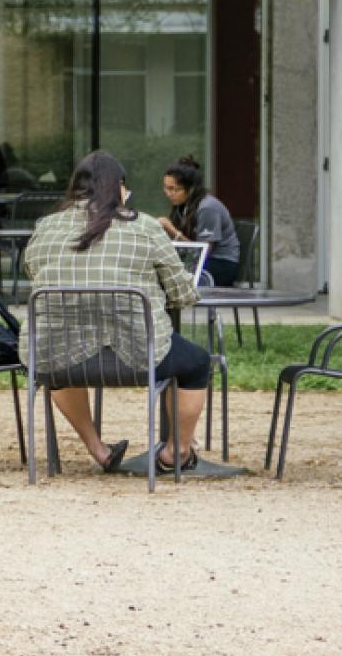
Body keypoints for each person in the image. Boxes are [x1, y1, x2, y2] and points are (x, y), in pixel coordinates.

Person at [22, 151, 212, 476]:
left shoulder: (45, 228)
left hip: (60, 355)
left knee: (57, 355)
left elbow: (34, 275)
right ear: (120, 189)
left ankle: (99, 450)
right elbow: (183, 295)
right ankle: (175, 452)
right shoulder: (145, 227)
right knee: (196, 363)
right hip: (138, 354)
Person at [157, 155, 240, 287]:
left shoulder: (207, 208)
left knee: (167, 275)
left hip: (221, 264)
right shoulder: (183, 206)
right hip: (204, 261)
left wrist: (172, 230)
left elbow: (202, 253)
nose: (169, 193)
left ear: (191, 189)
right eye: (166, 188)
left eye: (174, 189)